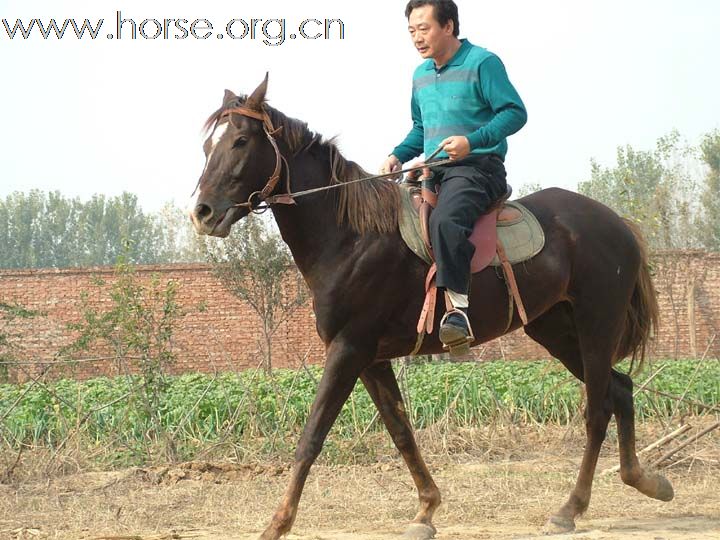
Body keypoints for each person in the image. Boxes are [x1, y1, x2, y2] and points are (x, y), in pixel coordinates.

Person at [380, 0, 527, 351]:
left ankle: (458, 313)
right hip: (434, 172)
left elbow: (515, 113)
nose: (417, 38)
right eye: (412, 31)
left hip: (478, 169)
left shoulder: (483, 63)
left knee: (445, 222)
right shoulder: (420, 76)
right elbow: (421, 128)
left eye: (424, 28)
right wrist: (398, 155)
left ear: (448, 26)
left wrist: (472, 142)